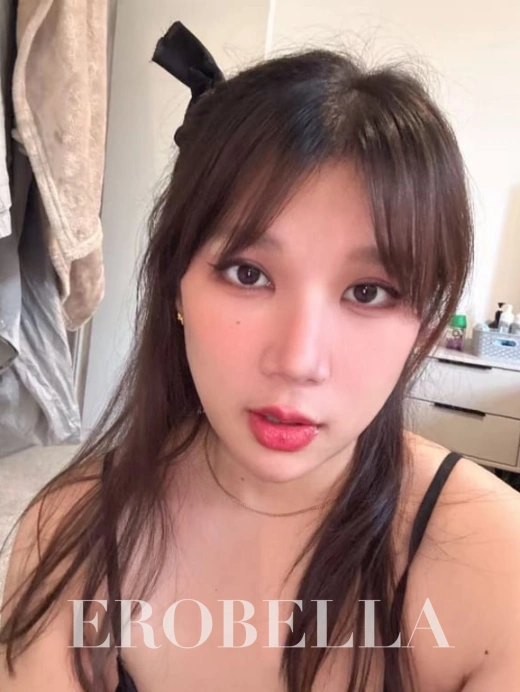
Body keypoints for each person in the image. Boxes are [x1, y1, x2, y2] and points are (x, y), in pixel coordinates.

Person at [1, 20, 520, 692]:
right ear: (176, 285)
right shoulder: (67, 536)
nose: (299, 360)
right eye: (248, 274)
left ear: (424, 322)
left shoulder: (497, 566)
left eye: (368, 292)